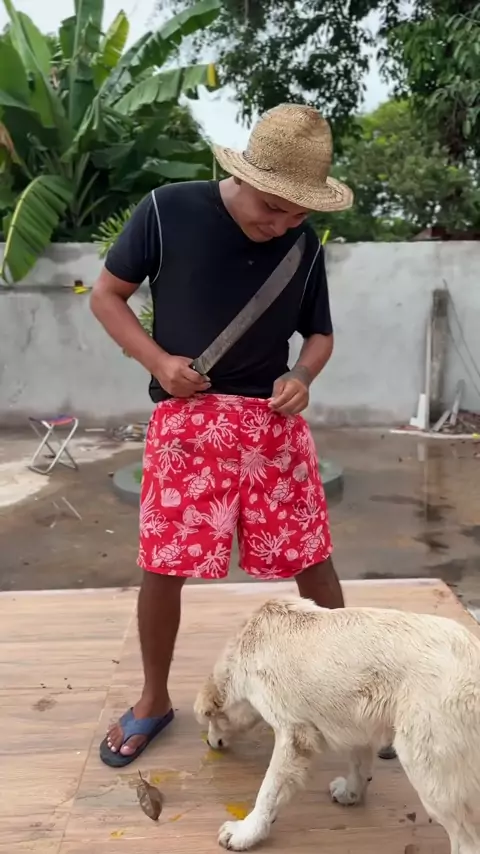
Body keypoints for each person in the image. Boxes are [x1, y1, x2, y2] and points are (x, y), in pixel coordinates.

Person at [91, 103, 387, 767]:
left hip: (270, 428)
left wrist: (302, 375)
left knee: (312, 558)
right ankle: (152, 699)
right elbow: (106, 295)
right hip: (187, 424)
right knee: (164, 564)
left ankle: (355, 698)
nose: (280, 225)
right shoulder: (167, 211)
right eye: (272, 207)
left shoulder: (304, 248)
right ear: (245, 177)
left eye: (297, 215)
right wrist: (159, 363)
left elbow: (319, 334)